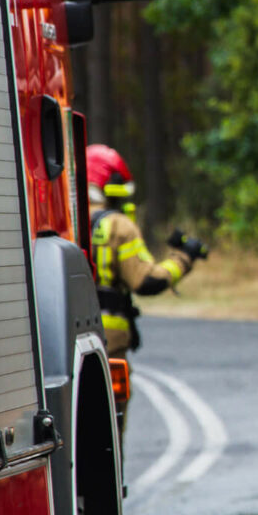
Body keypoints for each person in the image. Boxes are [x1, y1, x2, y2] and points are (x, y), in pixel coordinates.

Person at [86, 143, 205, 363]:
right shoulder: (118, 226)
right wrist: (184, 258)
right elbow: (146, 281)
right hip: (109, 341)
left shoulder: (65, 222)